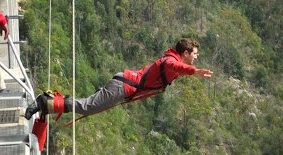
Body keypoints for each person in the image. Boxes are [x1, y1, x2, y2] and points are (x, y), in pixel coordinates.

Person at [25, 38, 213, 120]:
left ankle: (48, 105)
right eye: (194, 54)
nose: (196, 56)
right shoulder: (171, 61)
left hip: (124, 87)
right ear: (186, 53)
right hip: (123, 87)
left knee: (88, 107)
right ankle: (45, 101)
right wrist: (193, 71)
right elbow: (176, 67)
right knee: (87, 107)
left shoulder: (172, 59)